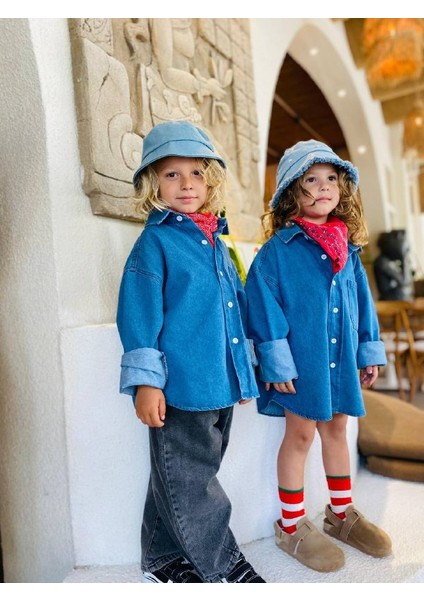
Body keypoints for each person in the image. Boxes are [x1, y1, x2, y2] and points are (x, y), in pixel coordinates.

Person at [116, 120, 265, 583]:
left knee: (177, 475)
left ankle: (160, 560)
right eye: (172, 174)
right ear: (153, 184)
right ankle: (223, 564)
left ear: (210, 180)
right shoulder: (155, 243)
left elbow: (235, 311)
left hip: (220, 381)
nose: (186, 184)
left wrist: (244, 373)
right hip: (181, 387)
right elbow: (139, 315)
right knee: (193, 482)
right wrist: (146, 383)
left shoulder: (216, 243)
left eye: (196, 173)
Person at [245, 140, 392, 573]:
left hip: (340, 359)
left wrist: (367, 350)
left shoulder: (349, 250)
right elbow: (262, 304)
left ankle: (340, 514)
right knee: (300, 436)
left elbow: (363, 303)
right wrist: (276, 361)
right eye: (311, 179)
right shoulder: (277, 251)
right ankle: (291, 526)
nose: (324, 186)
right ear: (293, 190)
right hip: (302, 362)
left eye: (331, 178)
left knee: (338, 430)